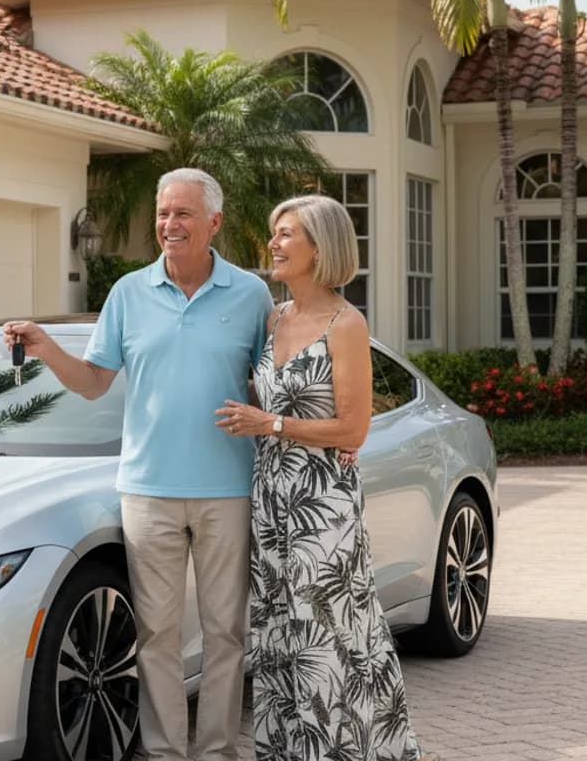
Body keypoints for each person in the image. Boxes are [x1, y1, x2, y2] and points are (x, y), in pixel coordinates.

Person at [5, 168, 273, 761]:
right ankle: (164, 753)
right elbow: (96, 382)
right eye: (163, 214)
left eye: (182, 214)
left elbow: (275, 386)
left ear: (214, 223)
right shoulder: (128, 293)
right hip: (147, 491)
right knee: (157, 635)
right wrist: (49, 348)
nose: (169, 225)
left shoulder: (252, 296)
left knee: (227, 632)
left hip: (228, 489)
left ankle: (218, 751)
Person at [214, 195, 436, 761]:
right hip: (271, 500)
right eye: (274, 233)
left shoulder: (346, 324)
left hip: (322, 505)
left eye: (286, 234)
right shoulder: (273, 319)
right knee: (279, 633)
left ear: (321, 247)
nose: (274, 244)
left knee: (329, 635)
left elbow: (354, 429)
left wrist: (274, 423)